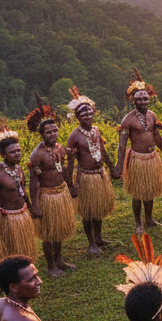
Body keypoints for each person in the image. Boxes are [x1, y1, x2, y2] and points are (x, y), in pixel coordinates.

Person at [65, 86, 118, 256]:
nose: (87, 116)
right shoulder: (74, 136)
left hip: (100, 174)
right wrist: (72, 184)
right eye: (83, 114)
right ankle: (91, 243)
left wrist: (111, 166)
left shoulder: (96, 130)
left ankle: (99, 238)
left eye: (89, 113)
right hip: (86, 176)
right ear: (77, 117)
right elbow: (70, 162)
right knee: (88, 211)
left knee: (98, 208)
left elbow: (102, 151)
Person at [27, 97, 76, 279]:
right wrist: (36, 205)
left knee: (59, 229)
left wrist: (69, 185)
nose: (53, 134)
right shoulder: (37, 155)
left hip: (60, 192)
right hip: (47, 195)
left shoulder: (60, 148)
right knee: (49, 232)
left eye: (55, 130)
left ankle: (59, 260)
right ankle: (50, 266)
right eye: (49, 132)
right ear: (42, 134)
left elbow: (62, 170)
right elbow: (34, 182)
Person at [116, 70, 162, 233]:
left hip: (152, 157)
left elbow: (157, 137)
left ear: (149, 98)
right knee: (138, 192)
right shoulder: (128, 120)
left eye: (145, 98)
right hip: (137, 159)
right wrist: (119, 165)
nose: (143, 101)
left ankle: (149, 219)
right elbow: (122, 145)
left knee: (150, 189)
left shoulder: (152, 116)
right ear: (134, 100)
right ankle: (138, 223)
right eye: (139, 99)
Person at [0, 125, 38, 263]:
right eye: (13, 152)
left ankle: (26, 267)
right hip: (7, 218)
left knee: (25, 245)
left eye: (19, 150)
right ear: (3, 154)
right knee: (12, 250)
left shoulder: (18, 168)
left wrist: (31, 208)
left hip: (22, 214)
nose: (17, 154)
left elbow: (22, 191)